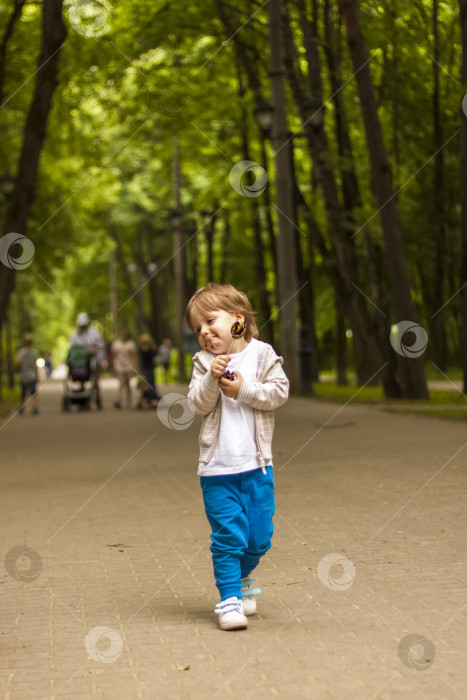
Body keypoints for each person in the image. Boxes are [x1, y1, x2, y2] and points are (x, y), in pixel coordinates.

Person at [186, 283, 289, 631]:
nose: (203, 332)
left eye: (210, 321)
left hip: (258, 467)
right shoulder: (203, 363)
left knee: (259, 537)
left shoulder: (261, 355)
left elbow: (278, 392)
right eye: (197, 328)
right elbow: (197, 405)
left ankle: (242, 578)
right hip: (216, 470)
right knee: (229, 536)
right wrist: (212, 380)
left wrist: (244, 388)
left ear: (238, 320)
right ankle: (229, 600)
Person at [69, 313, 105, 407]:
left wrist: (101, 361)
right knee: (81, 377)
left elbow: (101, 348)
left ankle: (97, 398)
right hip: (79, 362)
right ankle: (82, 398)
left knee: (95, 380)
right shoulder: (75, 334)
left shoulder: (95, 333)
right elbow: (71, 349)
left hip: (93, 360)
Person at [111, 328, 138, 409]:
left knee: (128, 383)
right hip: (119, 365)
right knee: (121, 382)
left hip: (128, 365)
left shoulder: (131, 344)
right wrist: (112, 366)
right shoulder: (116, 344)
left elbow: (134, 355)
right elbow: (114, 355)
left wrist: (136, 366)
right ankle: (119, 399)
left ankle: (129, 400)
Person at [15, 333, 40, 415]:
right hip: (32, 375)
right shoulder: (35, 352)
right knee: (34, 393)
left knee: (23, 393)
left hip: (24, 375)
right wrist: (37, 375)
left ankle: (22, 408)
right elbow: (36, 365)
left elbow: (18, 363)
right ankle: (35, 407)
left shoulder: (21, 352)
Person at [138, 334, 161, 401]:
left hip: (150, 368)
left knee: (151, 385)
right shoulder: (141, 349)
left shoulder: (151, 348)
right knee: (145, 385)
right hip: (145, 368)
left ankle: (152, 399)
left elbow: (154, 355)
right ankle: (147, 399)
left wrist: (154, 349)